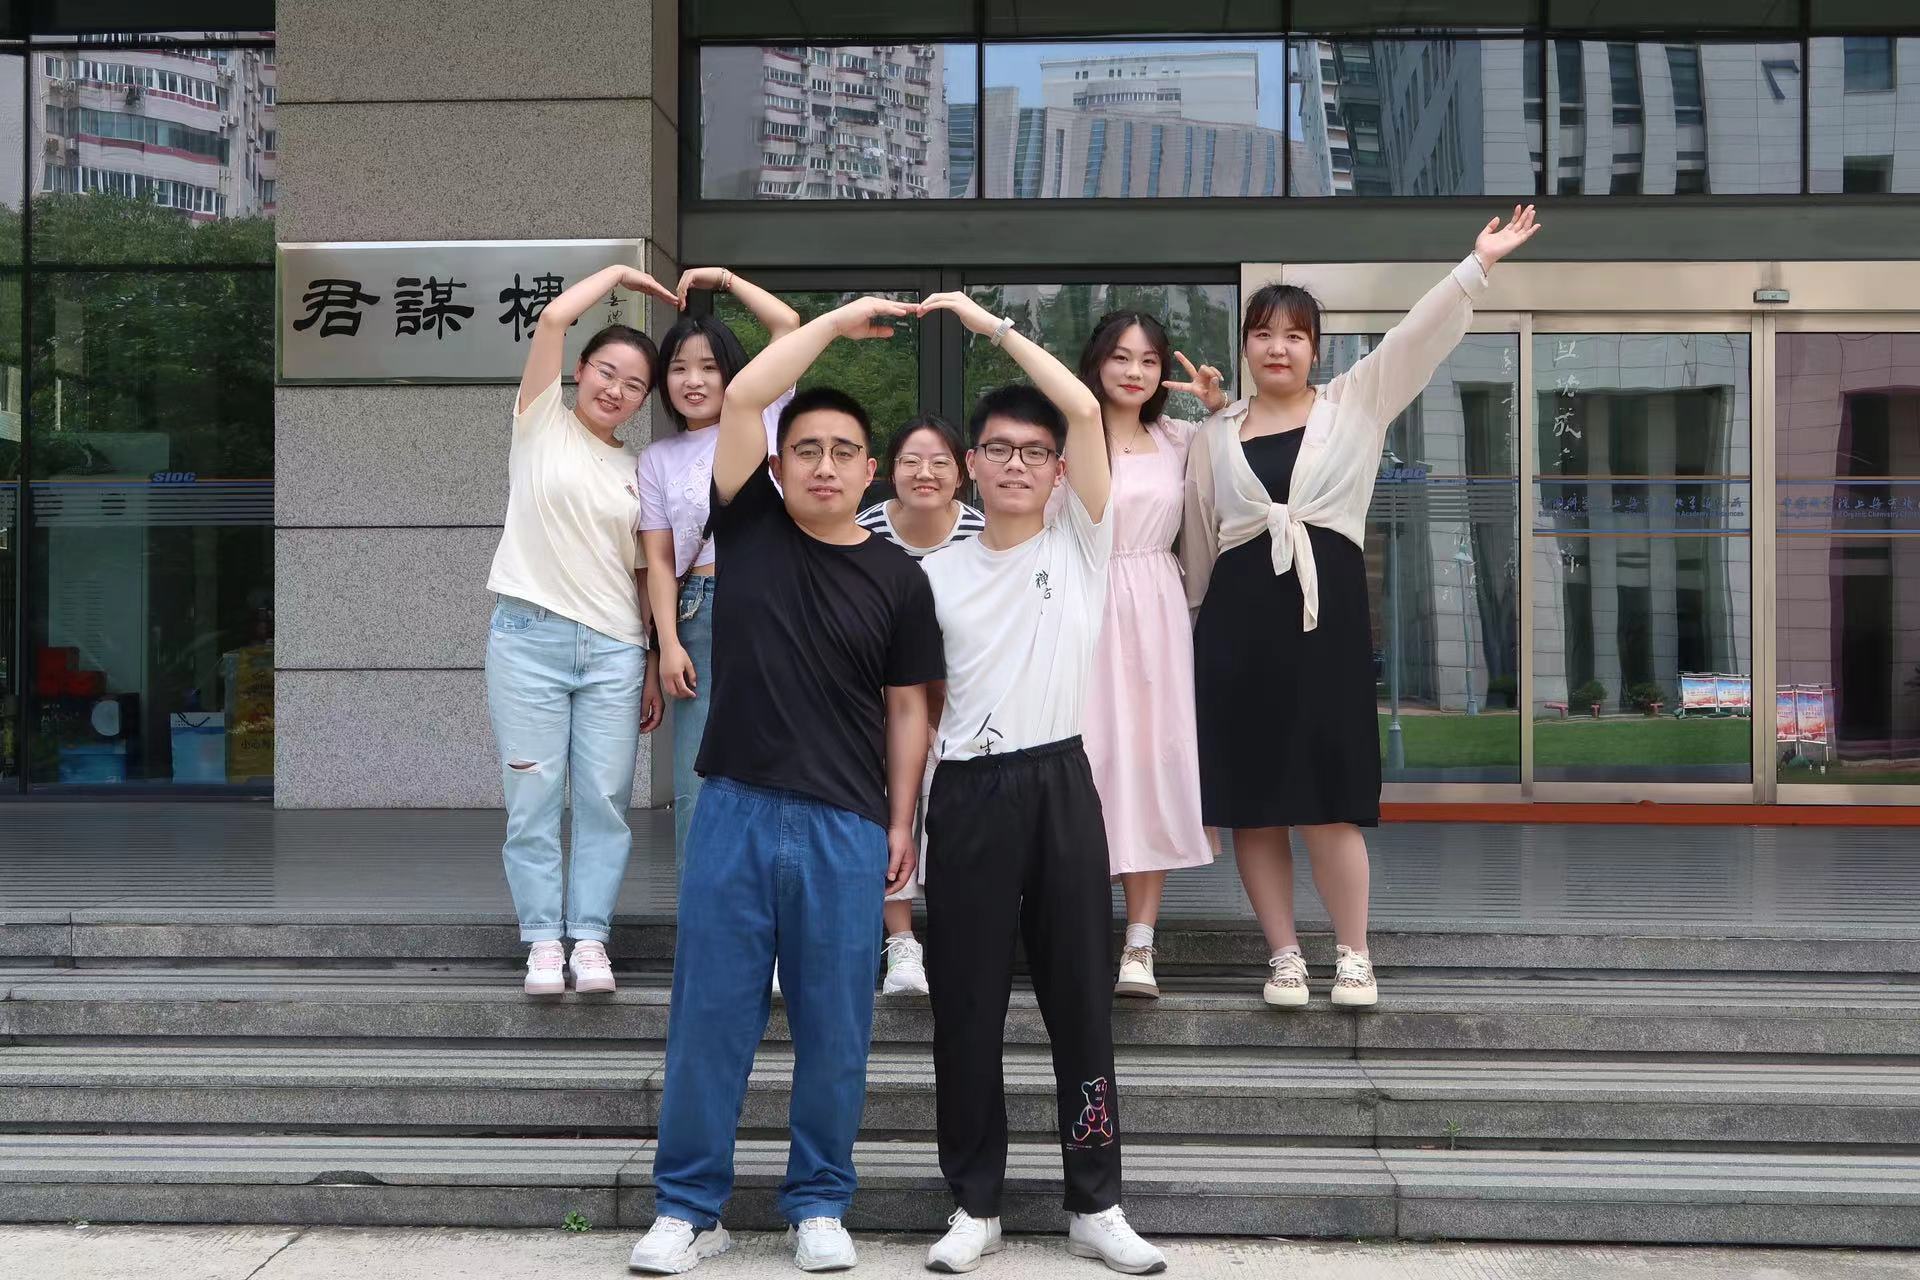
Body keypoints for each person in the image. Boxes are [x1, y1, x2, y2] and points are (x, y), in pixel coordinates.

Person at [631, 296, 943, 1276]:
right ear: (774, 464)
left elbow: (909, 710)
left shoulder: (899, 579)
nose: (823, 465)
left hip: (845, 824)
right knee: (709, 1019)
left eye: (843, 451)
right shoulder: (752, 523)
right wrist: (836, 322)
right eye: (805, 449)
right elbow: (748, 392)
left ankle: (819, 1202)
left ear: (870, 469)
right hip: (733, 805)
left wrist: (902, 822)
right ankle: (690, 1208)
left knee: (835, 1027)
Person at [1181, 207, 1541, 1011]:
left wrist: (1476, 264)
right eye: (1263, 334)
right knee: (1254, 806)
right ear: (1245, 346)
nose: (1278, 348)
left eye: (1295, 335)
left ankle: (1353, 954)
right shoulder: (1215, 434)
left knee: (1328, 798)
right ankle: (1283, 958)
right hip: (1236, 633)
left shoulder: (1354, 405)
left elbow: (1414, 338)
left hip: (1325, 624)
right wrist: (1194, 639)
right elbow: (1200, 543)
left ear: (1316, 348)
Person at [915, 291, 1166, 1276]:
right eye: (998, 450)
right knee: (966, 1008)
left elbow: (1087, 407)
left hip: (1062, 784)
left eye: (1034, 451)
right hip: (967, 794)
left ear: (1060, 468)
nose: (1016, 464)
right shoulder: (934, 574)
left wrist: (991, 327)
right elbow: (915, 709)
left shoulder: (1082, 543)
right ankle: (974, 1202)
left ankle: (1096, 1201)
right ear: (971, 465)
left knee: (1080, 1003)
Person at [484, 262, 677, 999]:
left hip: (614, 652)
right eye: (607, 372)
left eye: (634, 385)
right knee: (532, 797)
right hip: (526, 640)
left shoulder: (639, 469)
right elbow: (553, 319)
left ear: (644, 400)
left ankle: (590, 937)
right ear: (580, 370)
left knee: (604, 800)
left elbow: (645, 571)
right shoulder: (539, 423)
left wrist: (653, 658)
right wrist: (622, 273)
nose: (616, 390)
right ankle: (542, 939)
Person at [1072, 313, 1228, 1000]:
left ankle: (1140, 941)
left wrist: (1218, 407)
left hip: (1156, 609)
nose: (1134, 371)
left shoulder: (1178, 437)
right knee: (1085, 760)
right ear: (1096, 361)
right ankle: (1078, 930)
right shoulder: (1069, 433)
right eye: (1120, 357)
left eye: (1147, 360)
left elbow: (1240, 458)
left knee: (1149, 760)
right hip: (1081, 604)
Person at [638, 268, 801, 864]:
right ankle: (701, 910)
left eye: (709, 366)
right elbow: (660, 563)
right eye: (679, 368)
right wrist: (667, 645)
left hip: (779, 602)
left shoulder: (765, 415)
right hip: (700, 611)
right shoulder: (656, 458)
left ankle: (773, 904)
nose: (693, 380)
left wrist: (724, 280)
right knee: (697, 772)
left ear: (732, 373)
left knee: (780, 759)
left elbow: (787, 324)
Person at [854, 413, 985, 997]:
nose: (924, 473)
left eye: (939, 462)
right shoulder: (864, 531)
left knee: (956, 808)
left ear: (962, 472)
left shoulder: (982, 533)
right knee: (890, 802)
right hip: (879, 699)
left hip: (962, 700)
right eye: (911, 461)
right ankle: (901, 938)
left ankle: (958, 935)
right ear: (889, 469)